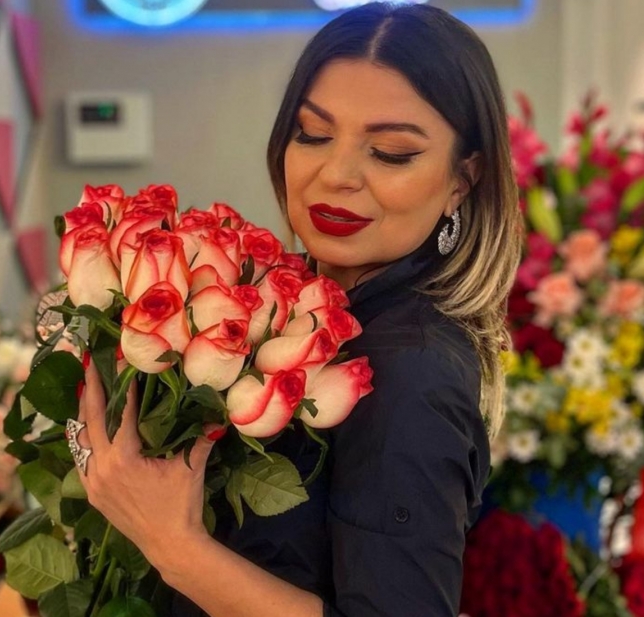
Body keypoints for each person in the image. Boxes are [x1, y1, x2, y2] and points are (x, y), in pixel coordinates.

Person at [74, 3, 522, 615]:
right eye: (312, 134)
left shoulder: (411, 371)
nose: (336, 174)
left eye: (391, 152)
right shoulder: (295, 308)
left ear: (462, 181)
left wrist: (172, 545)